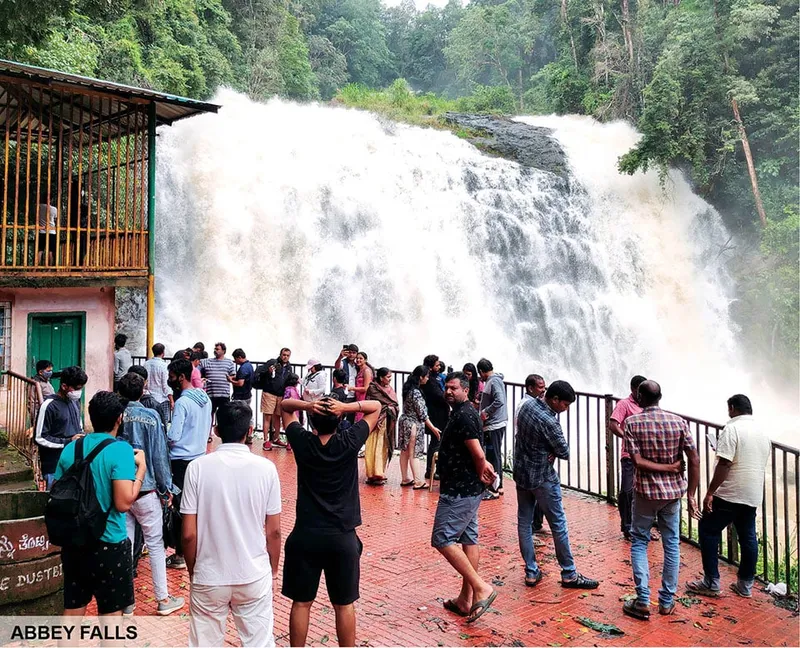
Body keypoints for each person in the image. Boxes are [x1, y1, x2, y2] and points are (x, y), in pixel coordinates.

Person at [279, 396, 382, 648]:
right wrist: (346, 407)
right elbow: (376, 407)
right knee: (344, 604)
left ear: (311, 420)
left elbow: (284, 406)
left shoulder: (302, 442)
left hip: (306, 534)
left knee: (301, 602)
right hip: (341, 535)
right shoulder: (349, 441)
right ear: (339, 420)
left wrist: (306, 405)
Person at [182, 401, 282, 647]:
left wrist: (194, 569)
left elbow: (188, 535)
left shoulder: (197, 468)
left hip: (209, 574)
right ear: (250, 430)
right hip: (253, 573)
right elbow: (275, 531)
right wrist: (273, 568)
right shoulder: (266, 469)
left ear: (215, 430)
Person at [56, 391, 145, 618]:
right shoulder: (120, 450)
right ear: (119, 419)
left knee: (73, 610)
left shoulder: (71, 449)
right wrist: (141, 470)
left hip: (75, 541)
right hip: (109, 543)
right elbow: (123, 502)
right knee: (111, 615)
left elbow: (57, 489)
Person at [622, 380, 700, 620]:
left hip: (645, 493)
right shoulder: (678, 422)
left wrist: (667, 469)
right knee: (671, 544)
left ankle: (643, 600)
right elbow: (694, 459)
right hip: (672, 495)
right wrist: (691, 494)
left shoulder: (632, 423)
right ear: (661, 397)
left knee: (639, 542)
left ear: (639, 397)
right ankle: (666, 602)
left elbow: (637, 462)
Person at [513, 380, 599, 590]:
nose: (566, 409)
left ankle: (531, 572)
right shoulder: (549, 421)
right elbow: (564, 451)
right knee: (558, 524)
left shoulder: (527, 404)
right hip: (542, 476)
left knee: (524, 522)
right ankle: (569, 573)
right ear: (554, 399)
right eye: (565, 405)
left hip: (522, 472)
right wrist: (549, 451)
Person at [686, 394, 770, 599]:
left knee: (708, 529)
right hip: (752, 494)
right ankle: (745, 585)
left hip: (730, 493)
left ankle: (711, 582)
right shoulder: (762, 433)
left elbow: (725, 464)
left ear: (732, 408)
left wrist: (710, 492)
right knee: (748, 537)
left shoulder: (731, 428)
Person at [117, 373, 184, 616]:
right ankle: (163, 599)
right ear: (143, 390)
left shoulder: (117, 415)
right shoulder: (152, 416)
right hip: (146, 490)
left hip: (121, 489)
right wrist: (167, 489)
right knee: (155, 545)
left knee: (125, 545)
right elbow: (159, 455)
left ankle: (126, 602)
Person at [433, 372, 498, 624]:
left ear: (466, 391)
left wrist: (484, 468)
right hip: (467, 488)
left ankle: (482, 588)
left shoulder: (463, 415)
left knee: (442, 538)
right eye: (446, 387)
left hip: (460, 490)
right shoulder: (463, 412)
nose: (448, 392)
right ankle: (464, 600)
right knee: (469, 539)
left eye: (453, 388)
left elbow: (478, 452)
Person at [166, 358, 212, 570]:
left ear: (181, 377)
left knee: (180, 506)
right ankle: (196, 548)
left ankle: (180, 554)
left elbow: (174, 435)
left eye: (172, 377)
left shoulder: (183, 403)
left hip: (181, 460)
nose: (170, 380)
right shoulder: (204, 397)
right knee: (195, 505)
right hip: (200, 457)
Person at [34, 365, 87, 489]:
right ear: (64, 386)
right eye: (76, 388)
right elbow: (40, 438)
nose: (78, 392)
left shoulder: (75, 403)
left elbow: (79, 427)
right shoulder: (49, 406)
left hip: (74, 464)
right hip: (54, 467)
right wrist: (67, 442)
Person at [609, 375, 647, 541]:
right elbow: (613, 424)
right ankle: (627, 527)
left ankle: (643, 528)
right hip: (629, 455)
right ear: (633, 389)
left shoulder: (648, 405)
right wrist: (628, 437)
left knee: (645, 492)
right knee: (627, 490)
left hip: (647, 456)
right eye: (641, 390)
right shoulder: (624, 404)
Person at [398, 366, 440, 489]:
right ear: (421, 377)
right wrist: (433, 428)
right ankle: (418, 481)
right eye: (426, 376)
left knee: (404, 451)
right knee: (414, 453)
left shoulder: (407, 388)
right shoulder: (416, 392)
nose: (427, 379)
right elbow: (422, 413)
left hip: (404, 421)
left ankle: (405, 478)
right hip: (413, 424)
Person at [514, 373, 547, 533]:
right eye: (540, 387)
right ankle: (532, 525)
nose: (543, 390)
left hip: (538, 453)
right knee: (531, 487)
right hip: (529, 453)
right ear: (530, 388)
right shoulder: (525, 405)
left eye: (544, 387)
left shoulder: (539, 404)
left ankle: (537, 523)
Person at [477, 358, 507, 499]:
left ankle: (493, 489)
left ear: (482, 371)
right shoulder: (494, 380)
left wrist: (485, 412)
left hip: (494, 424)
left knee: (492, 456)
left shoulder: (493, 381)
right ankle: (498, 486)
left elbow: (499, 400)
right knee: (495, 455)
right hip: (495, 423)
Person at [364, 368, 398, 485]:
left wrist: (391, 408)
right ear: (381, 377)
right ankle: (372, 473)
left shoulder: (390, 389)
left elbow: (394, 403)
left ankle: (379, 472)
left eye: (390, 377)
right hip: (374, 420)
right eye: (388, 377)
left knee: (382, 445)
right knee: (373, 444)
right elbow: (372, 403)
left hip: (386, 421)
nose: (390, 379)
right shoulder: (373, 388)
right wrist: (387, 407)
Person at [422, 354, 448, 480]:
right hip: (436, 415)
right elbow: (439, 396)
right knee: (436, 441)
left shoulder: (432, 378)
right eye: (437, 365)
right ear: (431, 367)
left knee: (437, 442)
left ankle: (433, 469)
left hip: (437, 414)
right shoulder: (430, 381)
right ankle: (431, 470)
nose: (439, 366)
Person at [200, 343, 236, 434]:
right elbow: (196, 363)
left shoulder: (229, 362)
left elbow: (233, 375)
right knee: (209, 415)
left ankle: (224, 435)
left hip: (223, 394)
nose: (215, 350)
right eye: (215, 349)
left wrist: (230, 379)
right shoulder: (208, 361)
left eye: (217, 349)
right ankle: (208, 434)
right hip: (210, 393)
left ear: (223, 351)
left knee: (224, 415)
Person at [263, 348, 292, 450]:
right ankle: (266, 440)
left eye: (288, 355)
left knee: (278, 417)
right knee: (267, 416)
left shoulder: (289, 367)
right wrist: (269, 372)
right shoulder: (273, 363)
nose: (285, 357)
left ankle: (276, 438)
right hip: (269, 393)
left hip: (281, 394)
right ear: (280, 354)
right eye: (284, 355)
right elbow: (264, 374)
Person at [145, 343, 173, 429]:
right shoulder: (164, 366)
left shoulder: (146, 364)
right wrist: (171, 400)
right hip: (162, 399)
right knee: (163, 422)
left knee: (150, 422)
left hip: (149, 397)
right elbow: (166, 385)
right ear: (163, 353)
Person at [230, 348, 255, 444]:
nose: (234, 361)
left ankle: (239, 436)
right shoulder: (249, 365)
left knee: (239, 416)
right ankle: (249, 435)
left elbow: (240, 383)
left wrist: (230, 381)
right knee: (248, 414)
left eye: (235, 359)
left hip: (241, 396)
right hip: (248, 394)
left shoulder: (243, 368)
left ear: (239, 357)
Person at [348, 352, 373, 423]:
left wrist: (352, 388)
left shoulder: (366, 371)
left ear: (365, 360)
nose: (358, 360)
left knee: (360, 419)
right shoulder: (360, 370)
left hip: (364, 398)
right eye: (357, 358)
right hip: (359, 398)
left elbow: (366, 388)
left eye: (361, 358)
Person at [28, 359, 55, 423]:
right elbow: (32, 403)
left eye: (51, 371)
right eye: (48, 371)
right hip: (41, 415)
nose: (50, 373)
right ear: (40, 372)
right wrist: (36, 420)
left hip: (50, 413)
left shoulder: (47, 381)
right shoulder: (35, 384)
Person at [37, 197, 58, 266]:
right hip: (51, 231)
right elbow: (55, 218)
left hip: (41, 231)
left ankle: (36, 268)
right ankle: (49, 268)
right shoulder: (54, 209)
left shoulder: (38, 207)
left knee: (40, 250)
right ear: (51, 199)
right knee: (50, 251)